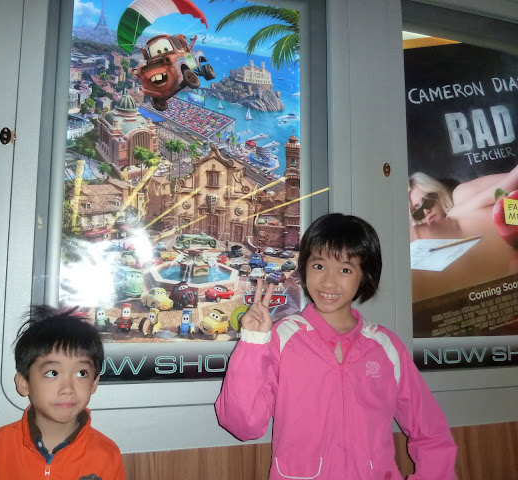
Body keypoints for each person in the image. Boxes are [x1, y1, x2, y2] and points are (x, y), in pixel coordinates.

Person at [215, 213, 457, 480]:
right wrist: (252, 342)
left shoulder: (386, 347)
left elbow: (431, 432)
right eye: (319, 266)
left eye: (345, 270)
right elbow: (242, 425)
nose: (329, 282)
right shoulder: (282, 338)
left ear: (364, 276)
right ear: (304, 268)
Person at [0, 305, 125, 480]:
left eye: (81, 373)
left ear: (94, 383)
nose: (68, 389)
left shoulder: (107, 454)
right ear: (24, 383)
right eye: (52, 373)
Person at [408, 163, 518, 226]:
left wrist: (456, 213)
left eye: (427, 200)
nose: (426, 211)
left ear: (437, 193)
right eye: (417, 211)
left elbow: (508, 183)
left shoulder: (461, 194)